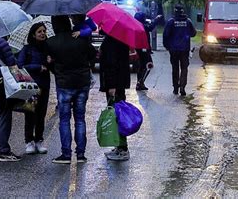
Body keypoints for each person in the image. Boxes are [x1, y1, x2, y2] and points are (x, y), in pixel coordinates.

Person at [46, 15, 96, 164]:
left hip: (64, 83)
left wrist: (56, 69)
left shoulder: (51, 42)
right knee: (80, 119)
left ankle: (66, 154)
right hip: (82, 82)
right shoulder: (80, 38)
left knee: (64, 119)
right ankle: (80, 154)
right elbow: (93, 55)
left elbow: (49, 62)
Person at [17, 22, 52, 155]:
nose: (42, 33)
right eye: (39, 31)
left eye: (44, 31)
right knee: (30, 113)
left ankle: (39, 140)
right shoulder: (27, 49)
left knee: (41, 114)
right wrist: (38, 67)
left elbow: (52, 68)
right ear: (33, 34)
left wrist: (50, 61)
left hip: (44, 85)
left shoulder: (48, 49)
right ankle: (29, 141)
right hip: (31, 86)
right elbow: (20, 66)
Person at [99, 32, 131, 161]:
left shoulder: (112, 41)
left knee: (117, 117)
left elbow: (112, 64)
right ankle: (119, 146)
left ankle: (122, 148)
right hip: (119, 83)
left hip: (115, 85)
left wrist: (111, 86)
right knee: (118, 115)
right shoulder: (120, 38)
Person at [163, 4, 197, 96]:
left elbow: (166, 35)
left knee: (175, 68)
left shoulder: (171, 22)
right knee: (184, 68)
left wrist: (166, 46)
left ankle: (175, 88)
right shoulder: (188, 21)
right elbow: (193, 33)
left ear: (175, 11)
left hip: (173, 49)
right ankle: (182, 87)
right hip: (184, 49)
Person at [133, 12, 162, 91]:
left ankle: (140, 83)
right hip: (143, 48)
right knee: (148, 64)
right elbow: (150, 27)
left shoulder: (136, 25)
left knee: (142, 65)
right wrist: (156, 20)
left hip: (140, 47)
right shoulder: (141, 26)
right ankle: (140, 82)